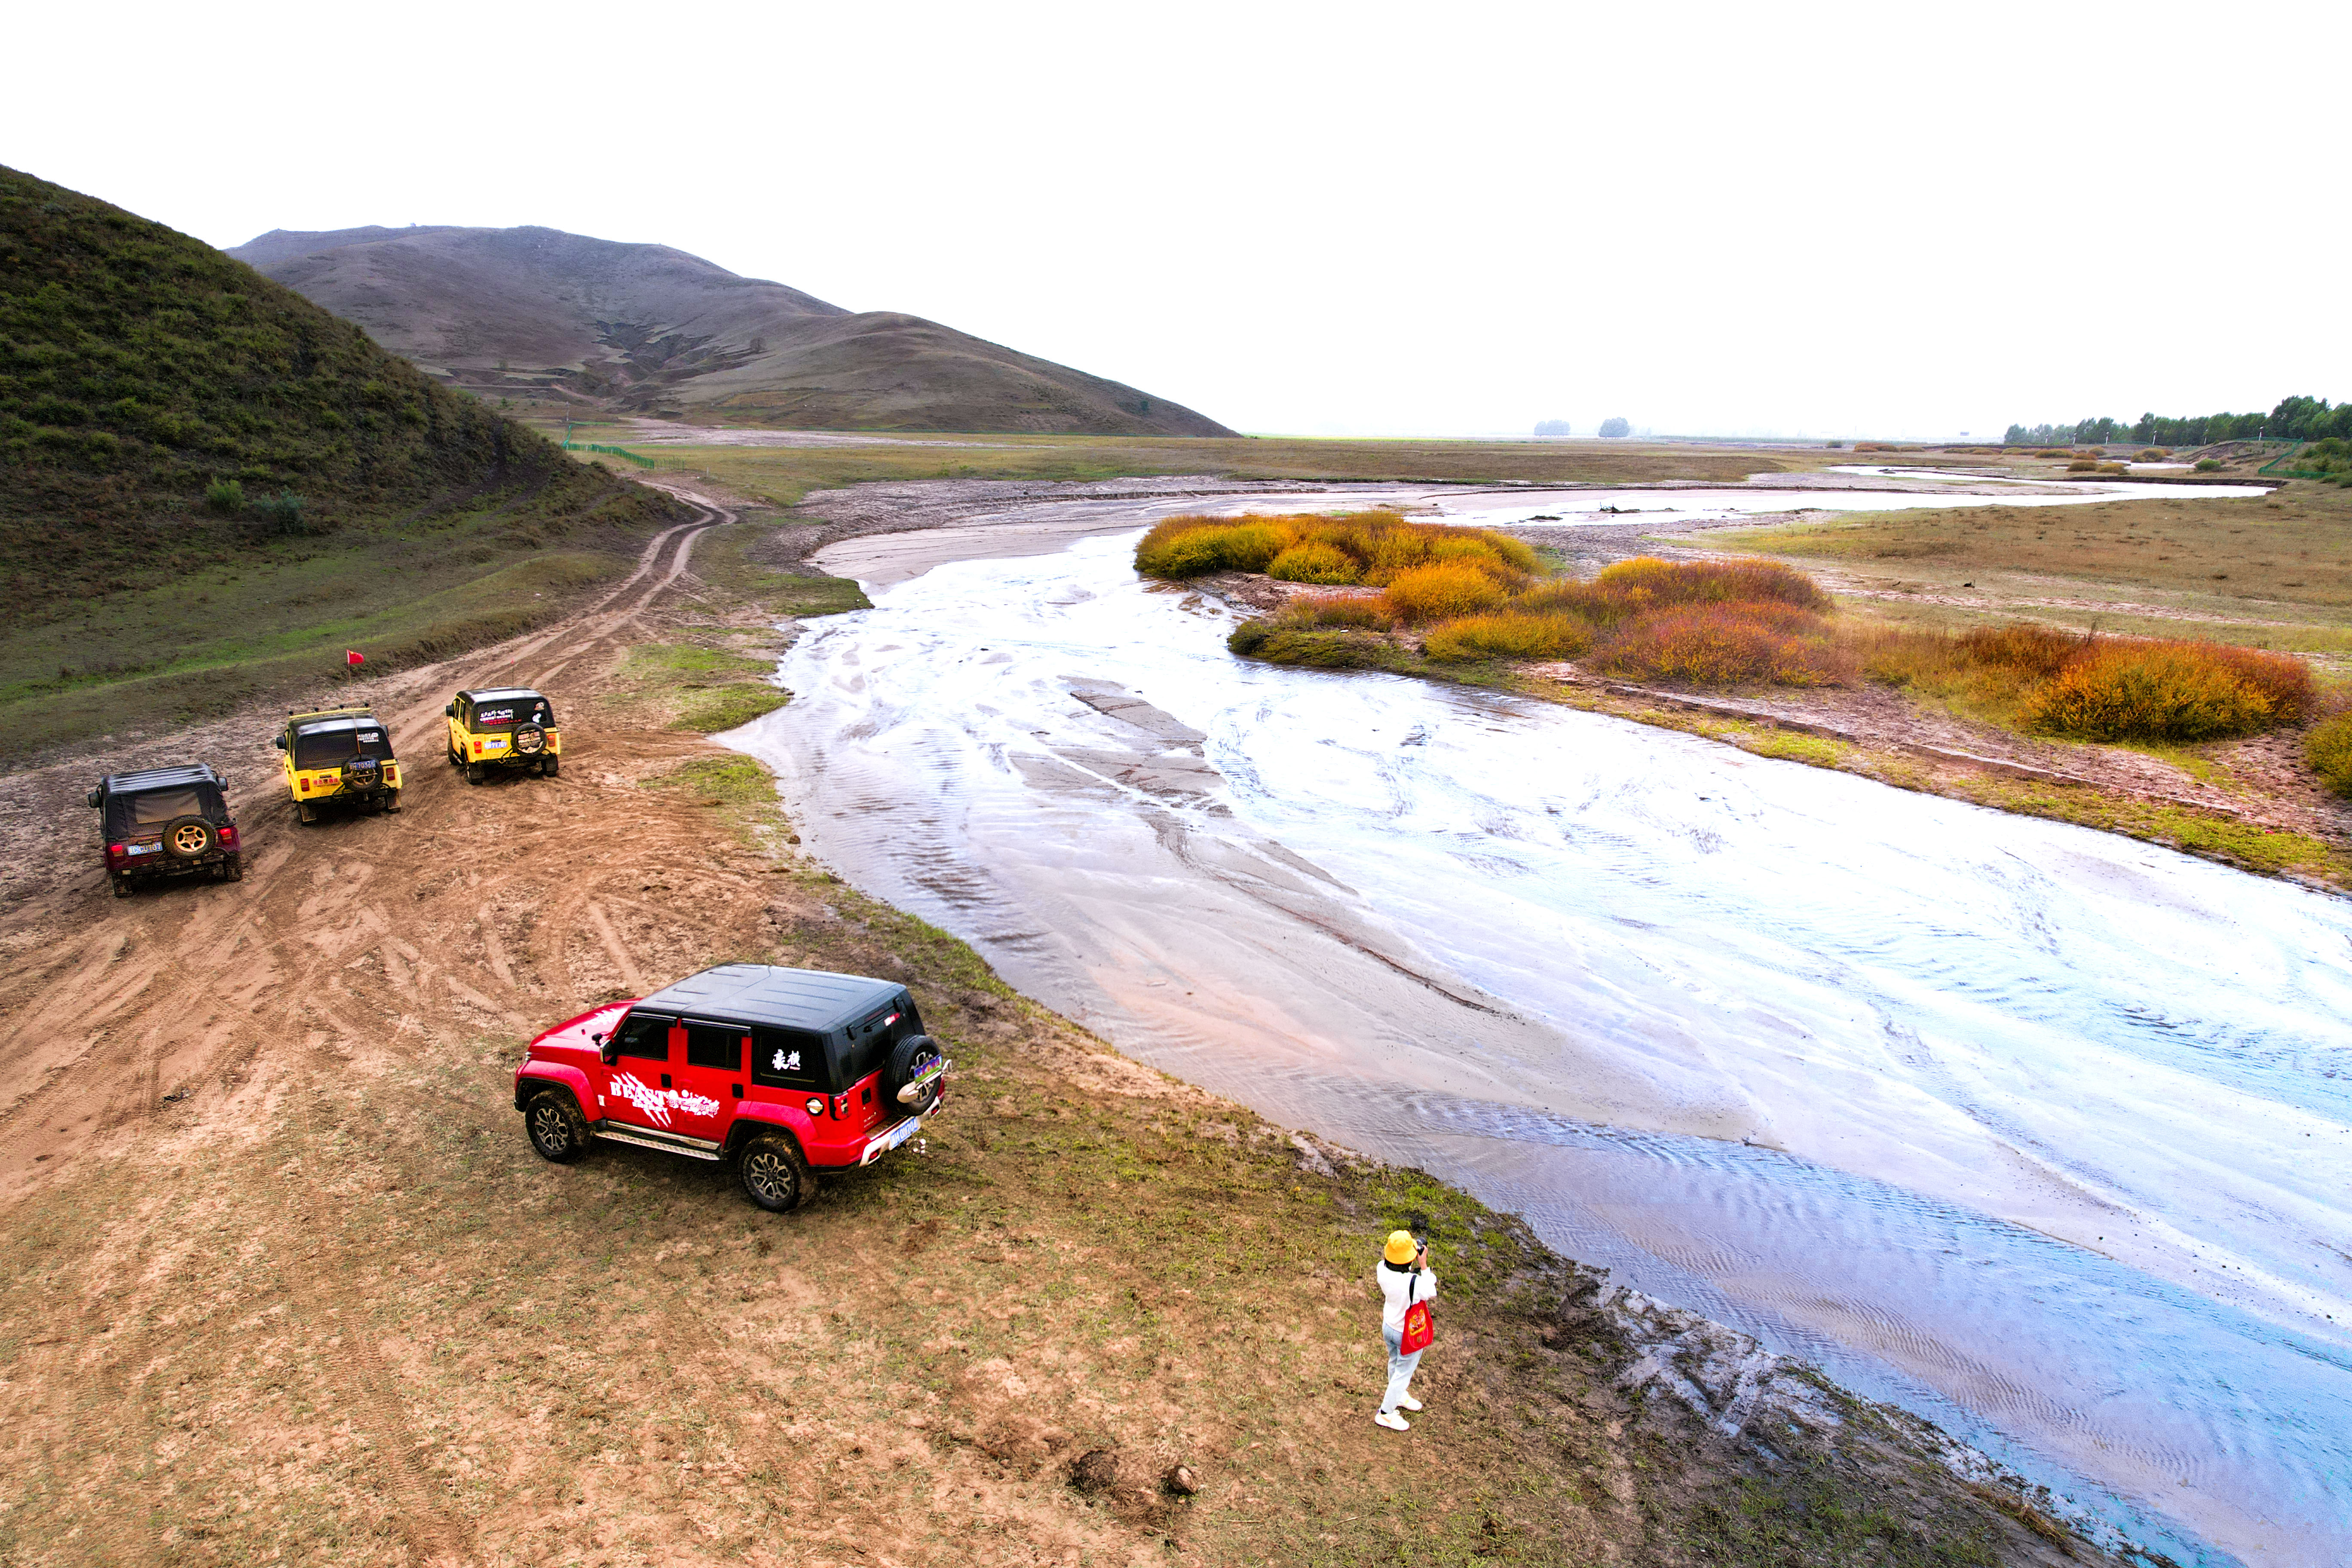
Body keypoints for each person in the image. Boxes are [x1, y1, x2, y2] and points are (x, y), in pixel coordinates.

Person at [1374, 1229, 1436, 1431]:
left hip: (1389, 1327)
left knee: (1394, 1362)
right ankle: (1386, 1414)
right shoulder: (1414, 1283)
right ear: (1409, 1261)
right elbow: (1431, 1291)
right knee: (1404, 1373)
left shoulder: (1381, 1269)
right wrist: (1424, 1265)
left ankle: (1399, 1396)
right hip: (1407, 1334)